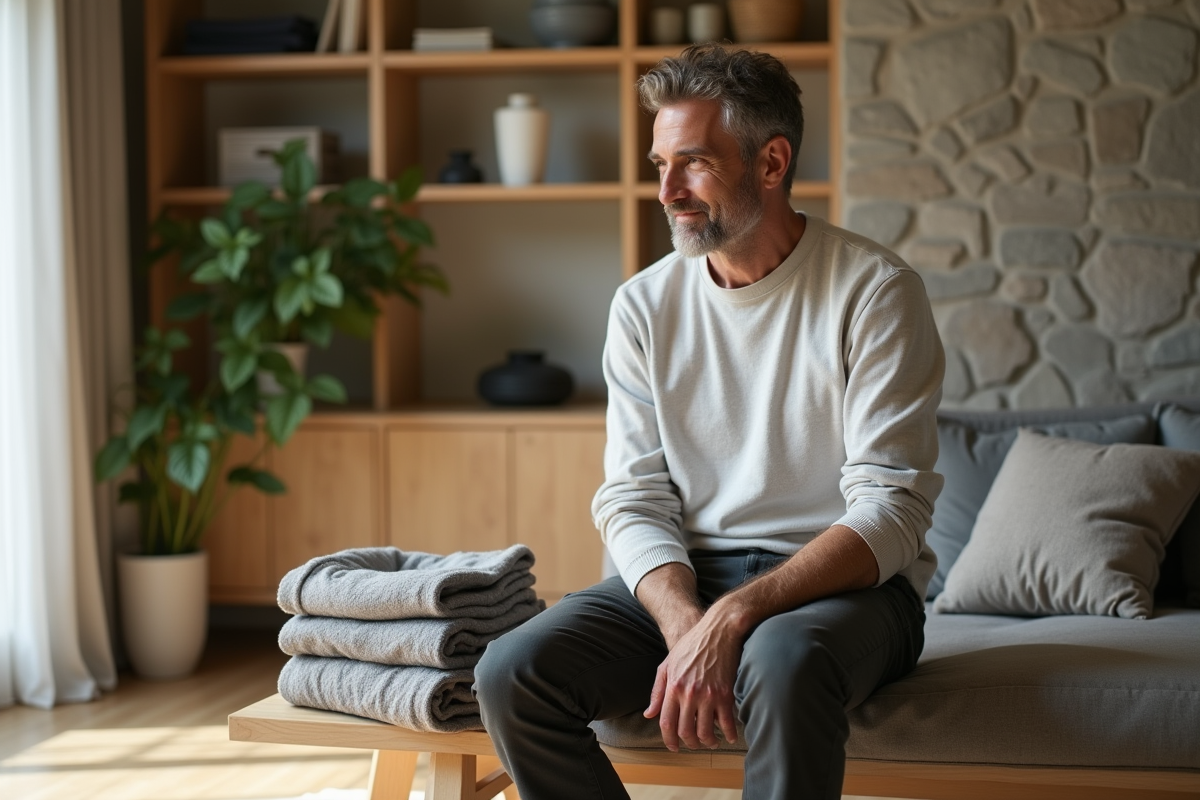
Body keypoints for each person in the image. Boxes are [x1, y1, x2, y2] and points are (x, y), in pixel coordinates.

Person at [474, 43, 945, 800]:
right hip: (689, 574)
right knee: (511, 672)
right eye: (660, 165)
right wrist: (685, 621)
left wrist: (735, 619)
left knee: (781, 663)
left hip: (847, 590)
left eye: (692, 163)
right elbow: (633, 495)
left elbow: (893, 509)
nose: (667, 192)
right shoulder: (643, 306)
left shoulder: (876, 291)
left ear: (771, 162)